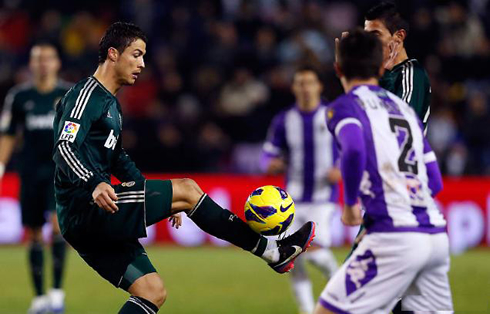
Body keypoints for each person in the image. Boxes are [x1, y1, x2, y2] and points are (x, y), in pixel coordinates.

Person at [52, 21, 316, 314]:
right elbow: (64, 147)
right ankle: (273, 252)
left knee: (151, 291)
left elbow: (117, 158)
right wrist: (94, 183)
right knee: (189, 189)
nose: (142, 63)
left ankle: (274, 252)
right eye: (136, 54)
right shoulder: (86, 95)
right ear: (113, 54)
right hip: (87, 208)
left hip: (94, 216)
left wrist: (162, 200)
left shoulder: (111, 103)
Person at [314, 29, 453, 314]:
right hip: (435, 236)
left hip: (394, 236)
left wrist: (351, 205)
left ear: (337, 67)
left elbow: (352, 148)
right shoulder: (405, 110)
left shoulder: (343, 107)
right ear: (380, 68)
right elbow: (435, 181)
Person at [262, 66, 340, 314]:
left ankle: (339, 281)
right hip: (291, 200)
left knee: (314, 254)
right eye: (300, 83)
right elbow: (267, 154)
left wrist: (341, 169)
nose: (305, 87)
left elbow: (353, 149)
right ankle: (307, 311)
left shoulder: (332, 115)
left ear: (319, 86)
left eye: (309, 82)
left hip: (322, 198)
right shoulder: (284, 119)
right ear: (294, 88)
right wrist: (270, 165)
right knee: (291, 258)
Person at [0, 42, 70, 314]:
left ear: (57, 63)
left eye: (48, 58)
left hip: (59, 171)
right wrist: (1, 165)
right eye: (38, 59)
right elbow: (7, 133)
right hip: (29, 172)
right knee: (32, 233)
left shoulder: (67, 95)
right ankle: (40, 296)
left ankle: (57, 292)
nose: (43, 63)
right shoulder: (19, 96)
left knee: (56, 225)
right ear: (31, 64)